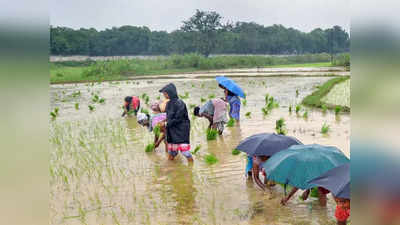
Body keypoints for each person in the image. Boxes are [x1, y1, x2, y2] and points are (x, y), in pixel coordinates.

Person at [159, 83, 193, 162]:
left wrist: (167, 123)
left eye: (165, 93)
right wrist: (164, 121)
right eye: (164, 93)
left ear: (170, 93)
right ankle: (170, 168)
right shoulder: (168, 104)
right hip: (172, 130)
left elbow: (179, 118)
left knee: (185, 152)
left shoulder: (180, 103)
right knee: (172, 152)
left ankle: (191, 166)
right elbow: (169, 116)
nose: (164, 95)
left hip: (181, 130)